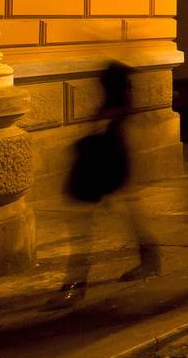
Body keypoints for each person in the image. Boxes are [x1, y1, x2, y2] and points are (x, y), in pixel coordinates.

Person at [55, 61, 158, 303]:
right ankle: (150, 259)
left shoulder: (114, 112)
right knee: (121, 217)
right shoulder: (116, 109)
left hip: (105, 169)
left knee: (83, 227)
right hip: (107, 169)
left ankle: (77, 282)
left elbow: (111, 142)